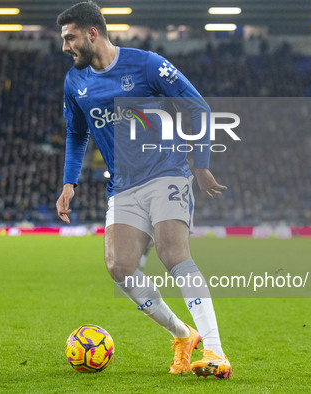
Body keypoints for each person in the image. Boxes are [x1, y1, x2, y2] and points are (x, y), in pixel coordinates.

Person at [55, 1, 231, 379]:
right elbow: (76, 131)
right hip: (122, 185)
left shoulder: (147, 64)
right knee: (119, 268)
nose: (65, 47)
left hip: (167, 171)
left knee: (172, 253)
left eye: (69, 38)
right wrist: (69, 182)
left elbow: (198, 106)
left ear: (92, 33)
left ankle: (215, 351)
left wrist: (200, 165)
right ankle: (184, 336)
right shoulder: (75, 82)